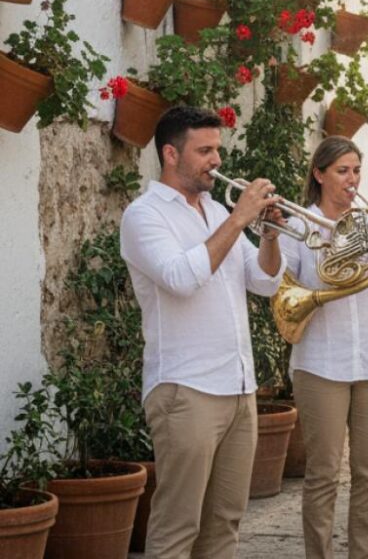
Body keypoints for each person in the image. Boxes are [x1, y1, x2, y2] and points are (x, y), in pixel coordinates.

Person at [120, 106, 286, 558]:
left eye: (218, 148)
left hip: (238, 388)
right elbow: (181, 278)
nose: (216, 160)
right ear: (171, 154)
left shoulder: (215, 210)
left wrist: (268, 235)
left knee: (224, 526)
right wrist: (239, 220)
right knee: (178, 528)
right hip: (185, 389)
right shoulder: (144, 216)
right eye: (205, 150)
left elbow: (265, 280)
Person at [280, 136, 368, 558]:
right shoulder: (299, 226)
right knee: (322, 474)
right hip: (320, 364)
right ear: (319, 175)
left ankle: (364, 553)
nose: (352, 179)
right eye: (342, 171)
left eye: (356, 170)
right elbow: (281, 288)